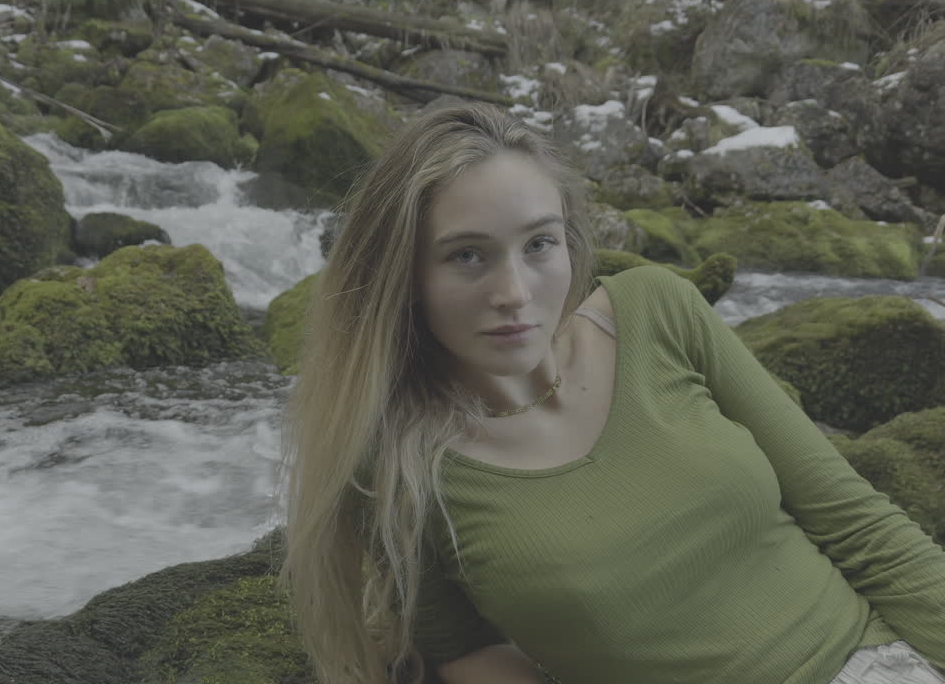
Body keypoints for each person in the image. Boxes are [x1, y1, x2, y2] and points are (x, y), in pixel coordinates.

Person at [276, 102, 945, 684]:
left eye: (538, 243)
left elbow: (855, 520)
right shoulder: (398, 456)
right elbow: (460, 644)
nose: (514, 293)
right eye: (467, 256)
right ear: (404, 276)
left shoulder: (658, 310)